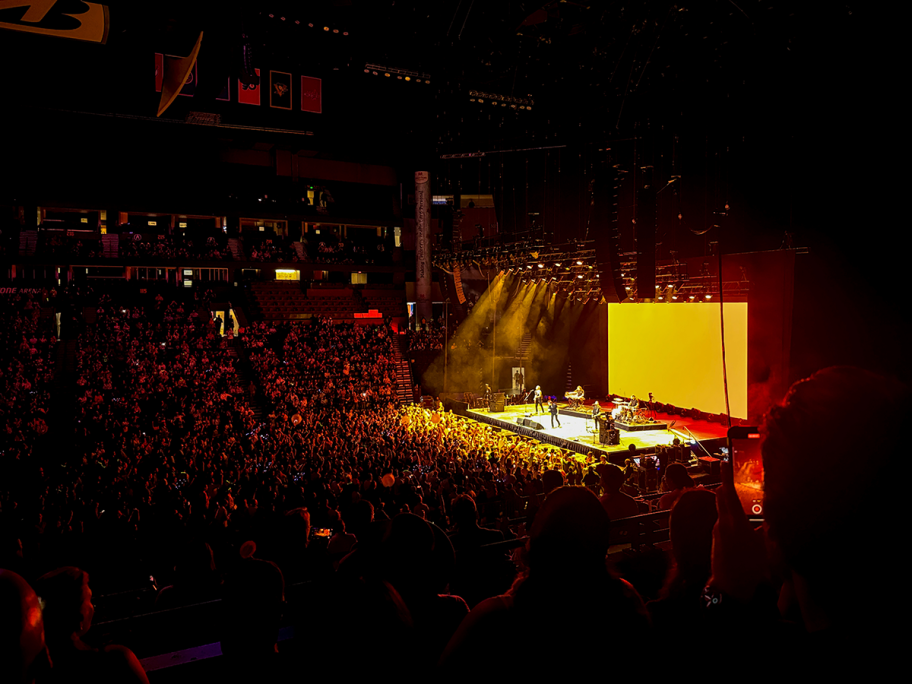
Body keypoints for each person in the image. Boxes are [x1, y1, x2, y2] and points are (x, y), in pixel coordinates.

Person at [34, 567, 149, 683]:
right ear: (79, 618)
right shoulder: (117, 660)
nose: (92, 607)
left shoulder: (35, 671)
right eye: (89, 600)